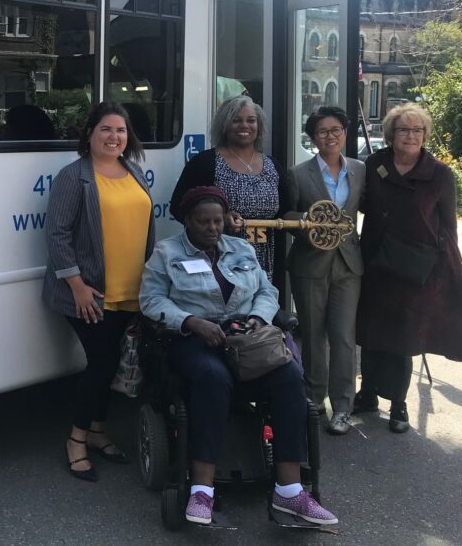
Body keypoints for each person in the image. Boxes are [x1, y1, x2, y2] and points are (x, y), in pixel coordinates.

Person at [140, 186, 338, 526]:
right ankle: (202, 490)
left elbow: (267, 290)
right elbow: (151, 300)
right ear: (187, 221)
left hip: (247, 338)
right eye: (203, 222)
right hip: (195, 339)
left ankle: (289, 491)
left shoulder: (241, 248)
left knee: (290, 376)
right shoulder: (166, 252)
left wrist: (258, 318)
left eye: (218, 221)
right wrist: (191, 322)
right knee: (213, 376)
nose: (213, 228)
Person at [42, 101, 155, 482]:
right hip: (90, 294)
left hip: (130, 291)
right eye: (106, 129)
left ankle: (97, 429)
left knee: (112, 363)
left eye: (120, 130)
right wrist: (76, 285)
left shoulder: (133, 171)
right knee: (102, 363)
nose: (114, 137)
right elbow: (57, 234)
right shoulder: (74, 177)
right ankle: (76, 439)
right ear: (89, 133)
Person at [355, 103, 462, 433]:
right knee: (370, 331)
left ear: (425, 135)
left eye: (417, 130)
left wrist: (446, 268)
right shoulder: (375, 164)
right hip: (376, 260)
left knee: (403, 337)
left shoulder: (439, 173)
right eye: (403, 130)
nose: (410, 136)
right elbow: (364, 203)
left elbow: (448, 226)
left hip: (414, 266)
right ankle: (367, 394)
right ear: (391, 134)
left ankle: (398, 404)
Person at [282, 107, 365, 435]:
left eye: (336, 130)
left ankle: (343, 406)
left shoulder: (359, 169)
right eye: (322, 131)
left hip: (348, 263)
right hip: (310, 262)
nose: (330, 136)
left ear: (345, 132)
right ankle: (314, 398)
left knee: (344, 336)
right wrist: (309, 223)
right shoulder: (298, 174)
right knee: (313, 334)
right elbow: (286, 214)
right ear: (313, 138)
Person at [170, 95, 285, 281]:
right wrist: (219, 219)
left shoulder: (273, 166)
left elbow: (285, 211)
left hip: (266, 263)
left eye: (251, 120)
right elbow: (178, 208)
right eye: (236, 120)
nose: (244, 126)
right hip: (217, 260)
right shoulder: (204, 163)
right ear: (224, 125)